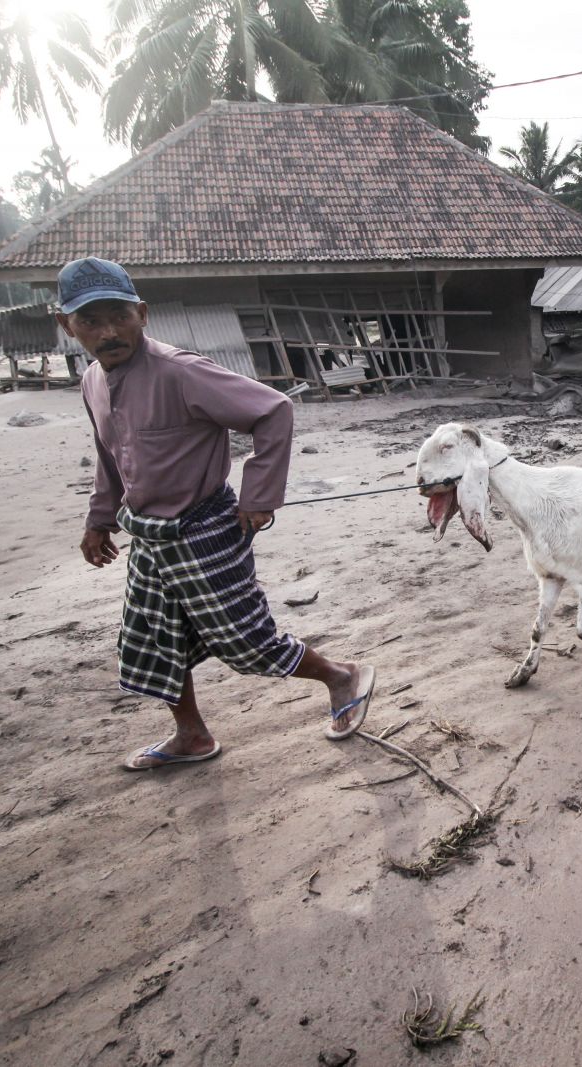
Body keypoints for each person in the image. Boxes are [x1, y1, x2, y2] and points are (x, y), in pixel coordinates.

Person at [63, 257, 375, 770]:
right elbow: (109, 454)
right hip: (148, 536)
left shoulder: (182, 372)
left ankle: (342, 676)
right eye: (90, 321)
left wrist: (259, 496)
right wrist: (99, 519)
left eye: (119, 315)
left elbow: (273, 410)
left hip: (205, 528)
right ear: (66, 326)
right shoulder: (93, 381)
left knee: (246, 641)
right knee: (155, 640)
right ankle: (191, 736)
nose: (108, 331)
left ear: (142, 313)